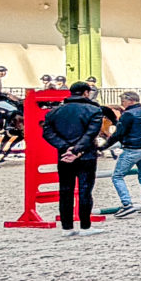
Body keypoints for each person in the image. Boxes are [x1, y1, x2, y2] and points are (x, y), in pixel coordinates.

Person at [41, 80, 106, 233]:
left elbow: (47, 133)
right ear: (86, 93)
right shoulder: (94, 110)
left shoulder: (55, 112)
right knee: (85, 190)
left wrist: (65, 147)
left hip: (64, 156)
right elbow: (91, 133)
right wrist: (76, 150)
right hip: (86, 155)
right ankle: (85, 225)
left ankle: (67, 227)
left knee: (65, 190)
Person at [105, 90, 141, 215]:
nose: (122, 104)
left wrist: (104, 146)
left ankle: (127, 204)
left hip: (132, 149)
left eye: (123, 101)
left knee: (117, 176)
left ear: (131, 100)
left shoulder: (128, 114)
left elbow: (118, 133)